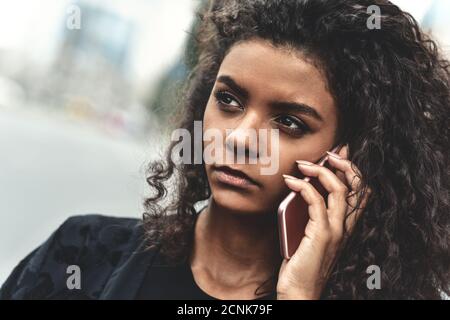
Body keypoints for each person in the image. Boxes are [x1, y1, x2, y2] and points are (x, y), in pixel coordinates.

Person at [1, 0, 449, 300]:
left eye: (289, 122)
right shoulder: (81, 255)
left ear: (352, 158)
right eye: (229, 100)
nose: (238, 138)